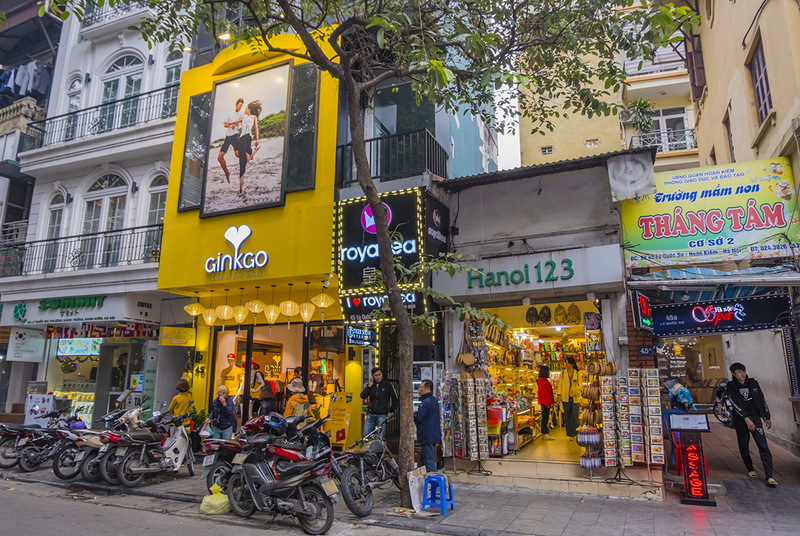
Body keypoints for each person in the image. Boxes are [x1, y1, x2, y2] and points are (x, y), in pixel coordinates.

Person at [726, 362, 777, 487]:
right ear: (733, 374)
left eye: (743, 371)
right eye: (738, 372)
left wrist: (766, 416)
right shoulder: (731, 386)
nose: (742, 374)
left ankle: (769, 475)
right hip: (740, 420)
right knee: (744, 444)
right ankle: (750, 468)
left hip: (755, 417)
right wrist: (746, 419)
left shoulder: (753, 383)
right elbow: (734, 403)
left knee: (763, 445)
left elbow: (761, 399)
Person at [360, 367, 398, 439]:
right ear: (372, 376)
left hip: (382, 414)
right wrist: (369, 386)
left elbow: (395, 399)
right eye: (375, 375)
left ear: (382, 375)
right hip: (370, 414)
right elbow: (362, 396)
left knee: (380, 436)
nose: (378, 377)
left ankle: (379, 449)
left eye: (379, 375)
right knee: (366, 434)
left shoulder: (387, 385)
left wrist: (391, 411)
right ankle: (370, 449)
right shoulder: (370, 386)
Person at [414, 379, 441, 473]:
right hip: (432, 434)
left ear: (428, 389)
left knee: (429, 461)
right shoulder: (434, 401)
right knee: (424, 460)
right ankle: (421, 480)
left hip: (427, 435)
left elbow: (419, 418)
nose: (419, 390)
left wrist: (413, 414)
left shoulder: (425, 402)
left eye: (421, 387)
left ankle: (435, 481)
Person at [237, 100, 261, 193]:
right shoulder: (244, 118)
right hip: (241, 138)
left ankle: (255, 151)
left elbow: (256, 128)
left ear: (249, 109)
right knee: (241, 161)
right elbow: (237, 123)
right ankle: (241, 182)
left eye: (246, 108)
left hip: (247, 137)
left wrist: (257, 140)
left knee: (247, 159)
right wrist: (230, 124)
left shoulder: (253, 117)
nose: (245, 109)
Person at [217, 98, 244, 183]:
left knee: (237, 155)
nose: (240, 107)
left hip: (235, 136)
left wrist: (231, 124)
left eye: (241, 106)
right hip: (228, 137)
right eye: (239, 105)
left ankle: (247, 156)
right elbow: (225, 125)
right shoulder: (229, 113)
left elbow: (240, 121)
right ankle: (227, 173)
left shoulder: (241, 115)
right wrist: (229, 125)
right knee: (219, 158)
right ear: (236, 105)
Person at [557, 356, 581, 439]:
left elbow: (580, 385)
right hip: (565, 397)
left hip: (575, 397)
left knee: (575, 415)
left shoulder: (577, 373)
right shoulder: (563, 373)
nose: (565, 364)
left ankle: (576, 433)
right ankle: (570, 434)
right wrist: (559, 395)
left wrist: (575, 392)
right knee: (567, 416)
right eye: (565, 363)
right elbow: (560, 384)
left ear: (571, 364)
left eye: (567, 363)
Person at [537, 365, 555, 440]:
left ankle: (544, 432)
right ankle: (544, 433)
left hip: (546, 402)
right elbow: (544, 393)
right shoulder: (542, 381)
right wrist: (547, 403)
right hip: (545, 402)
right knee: (545, 417)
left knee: (546, 417)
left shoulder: (543, 380)